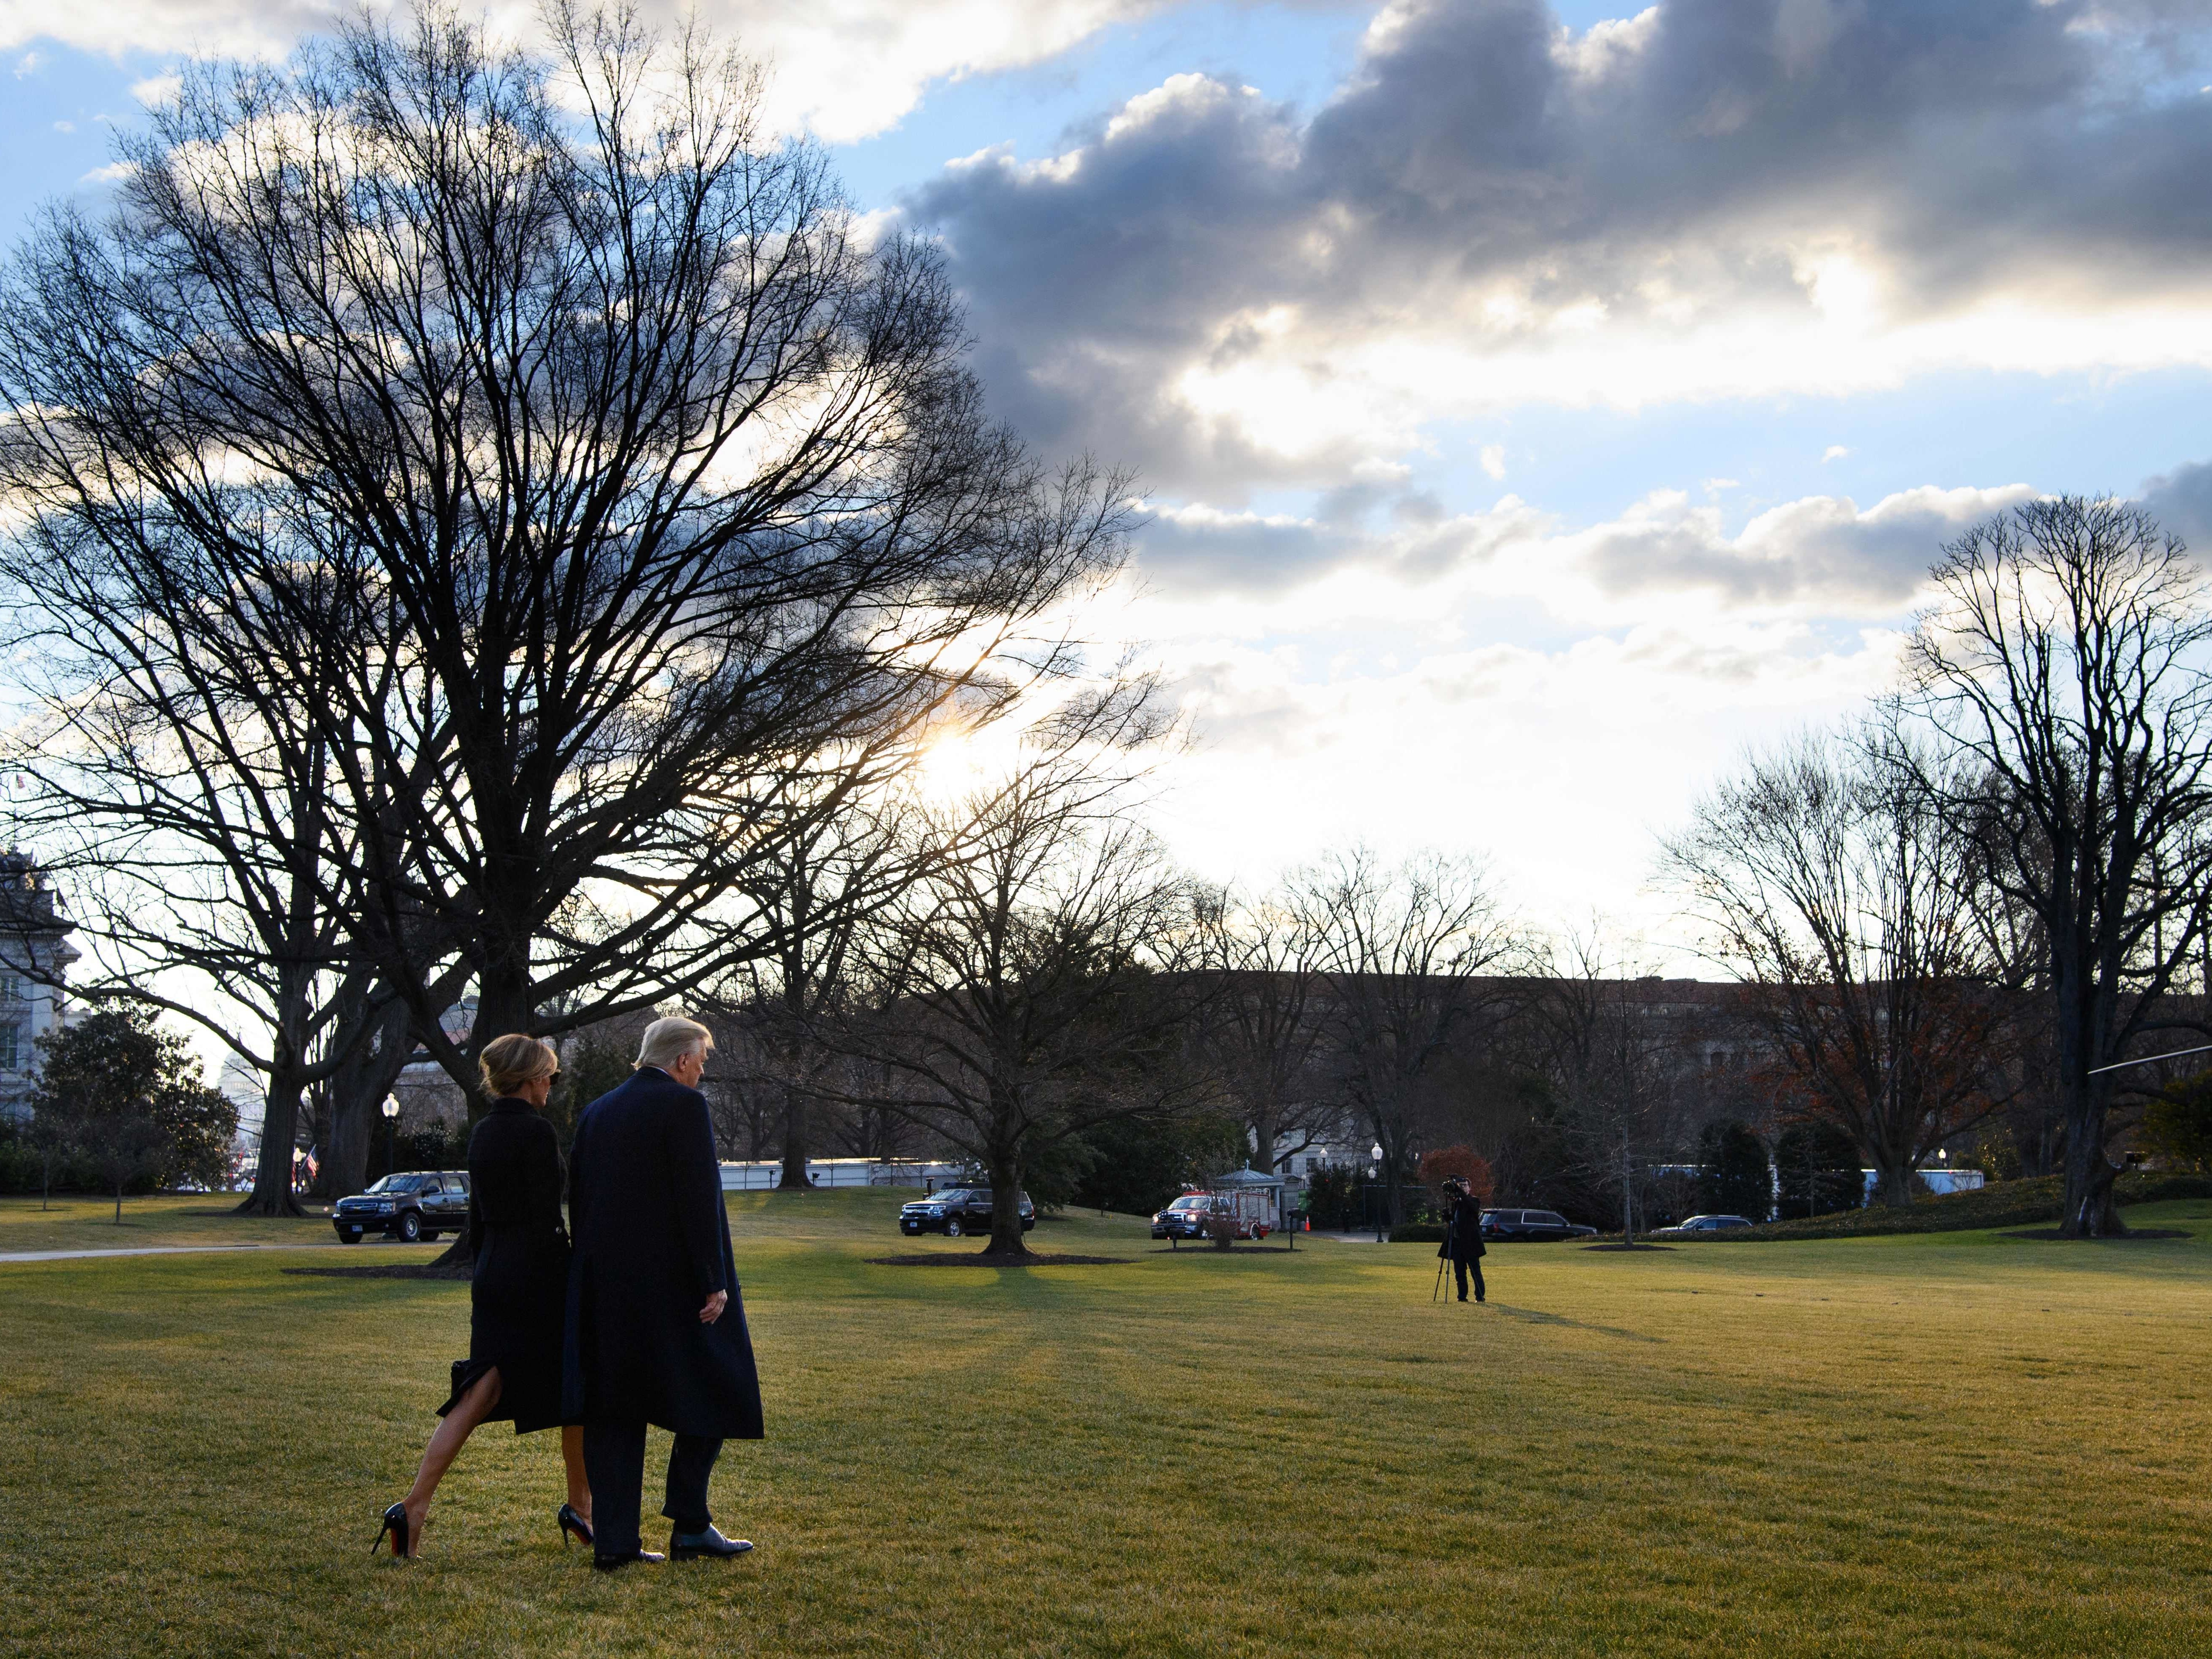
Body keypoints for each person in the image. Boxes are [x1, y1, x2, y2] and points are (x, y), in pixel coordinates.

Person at [373, 1034, 591, 1558]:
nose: (551, 1086)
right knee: (575, 1385)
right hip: (536, 1276)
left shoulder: (483, 1132)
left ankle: (414, 1506)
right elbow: (544, 1220)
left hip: (493, 1271)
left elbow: (479, 1218)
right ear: (533, 1078)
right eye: (550, 1076)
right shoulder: (537, 1133)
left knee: (481, 1391)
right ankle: (583, 1510)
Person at [562, 1016, 763, 1571]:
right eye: (701, 1060)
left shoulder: (596, 1112)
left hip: (607, 1288)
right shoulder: (684, 1106)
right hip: (677, 1287)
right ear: (680, 1060)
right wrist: (712, 1279)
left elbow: (579, 1199)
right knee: (721, 1385)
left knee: (615, 1409)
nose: (702, 1070)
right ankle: (691, 1522)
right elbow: (698, 1196)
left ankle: (616, 1543)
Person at [1438, 1176, 1486, 1304]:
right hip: (1457, 1242)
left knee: (1475, 1271)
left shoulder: (1474, 1200)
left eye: (1465, 1185)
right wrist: (1447, 1217)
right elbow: (1455, 1222)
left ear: (1470, 1188)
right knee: (1459, 1272)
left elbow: (1472, 1208)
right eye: (1460, 1185)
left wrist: (1459, 1192)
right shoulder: (1456, 1203)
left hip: (1471, 1243)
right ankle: (1462, 1296)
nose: (1462, 1187)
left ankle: (1480, 1297)